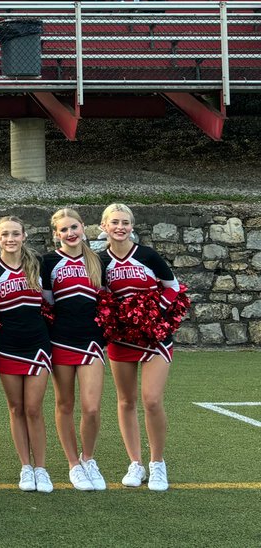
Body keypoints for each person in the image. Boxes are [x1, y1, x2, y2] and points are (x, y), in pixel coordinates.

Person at [100, 203, 181, 492]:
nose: (120, 227)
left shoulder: (147, 255)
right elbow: (100, 296)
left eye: (125, 222)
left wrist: (153, 315)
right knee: (126, 401)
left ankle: (157, 463)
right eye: (114, 222)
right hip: (121, 338)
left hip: (154, 337)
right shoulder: (100, 261)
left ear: (132, 226)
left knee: (152, 400)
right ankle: (135, 462)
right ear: (104, 227)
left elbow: (173, 287)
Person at [0, 217, 53, 494]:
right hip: (7, 345)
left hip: (37, 344)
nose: (10, 239)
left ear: (24, 236)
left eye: (15, 234)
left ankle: (41, 468)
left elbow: (51, 301)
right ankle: (25, 466)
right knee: (16, 408)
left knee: (34, 408)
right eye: (5, 234)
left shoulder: (38, 264)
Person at [42, 208, 108, 492]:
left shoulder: (98, 260)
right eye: (64, 230)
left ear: (83, 227)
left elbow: (107, 299)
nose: (70, 233)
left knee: (91, 408)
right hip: (60, 340)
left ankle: (88, 458)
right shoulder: (47, 262)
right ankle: (73, 464)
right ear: (56, 234)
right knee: (65, 404)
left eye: (74, 227)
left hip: (92, 341)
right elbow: (47, 304)